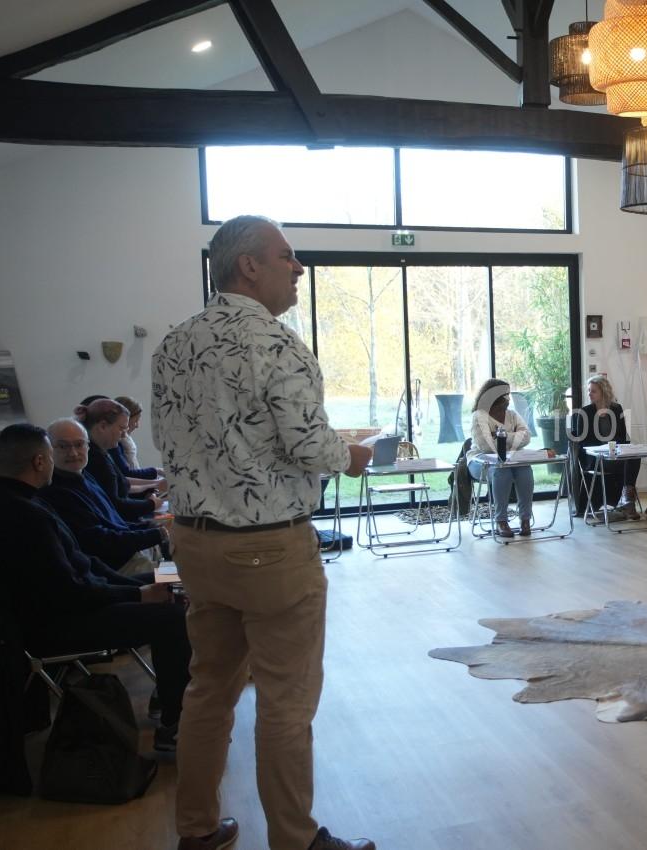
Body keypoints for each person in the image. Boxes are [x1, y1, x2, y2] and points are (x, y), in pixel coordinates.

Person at [152, 214, 375, 850]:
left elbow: (175, 441)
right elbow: (309, 445)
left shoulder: (175, 343)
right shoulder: (277, 344)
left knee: (208, 689)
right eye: (287, 256)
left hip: (194, 542)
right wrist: (353, 455)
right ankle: (296, 840)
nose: (298, 267)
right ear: (249, 265)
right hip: (271, 548)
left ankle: (195, 829)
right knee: (285, 701)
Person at [0, 423, 190, 750]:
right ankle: (174, 725)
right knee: (174, 617)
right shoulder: (25, 514)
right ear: (40, 461)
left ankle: (167, 695)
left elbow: (84, 564)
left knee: (172, 580)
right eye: (55, 452)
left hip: (79, 598)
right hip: (55, 626)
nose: (64, 457)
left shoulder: (16, 500)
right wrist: (137, 594)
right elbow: (70, 590)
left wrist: (140, 587)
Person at [39, 418, 168, 576]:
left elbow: (116, 523)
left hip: (135, 555)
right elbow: (101, 541)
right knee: (183, 577)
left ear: (87, 446)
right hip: (120, 570)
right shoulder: (56, 492)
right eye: (63, 446)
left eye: (79, 444)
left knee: (191, 560)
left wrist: (152, 527)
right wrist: (157, 534)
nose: (73, 453)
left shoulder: (84, 475)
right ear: (48, 450)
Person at [467, 378, 541, 538]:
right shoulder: (479, 416)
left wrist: (502, 435)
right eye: (505, 394)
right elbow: (486, 446)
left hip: (511, 459)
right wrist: (514, 439)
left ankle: (525, 519)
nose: (508, 398)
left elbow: (527, 436)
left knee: (525, 469)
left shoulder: (512, 415)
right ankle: (501, 520)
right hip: (481, 461)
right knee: (502, 472)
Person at [569, 374, 641, 520]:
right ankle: (627, 502)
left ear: (604, 392)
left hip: (614, 453)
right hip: (594, 457)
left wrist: (621, 448)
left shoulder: (616, 409)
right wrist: (604, 448)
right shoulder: (584, 412)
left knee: (634, 456)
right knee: (625, 461)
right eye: (589, 390)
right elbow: (583, 443)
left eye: (593, 391)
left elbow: (622, 436)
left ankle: (627, 498)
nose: (590, 394)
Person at [82, 398, 162, 520]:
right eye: (121, 428)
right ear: (103, 426)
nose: (124, 435)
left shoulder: (102, 452)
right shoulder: (95, 458)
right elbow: (117, 506)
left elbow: (123, 483)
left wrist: (154, 485)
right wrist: (151, 504)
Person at [112, 395, 166, 486]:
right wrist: (157, 472)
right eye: (136, 421)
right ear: (126, 420)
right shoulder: (114, 443)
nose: (137, 426)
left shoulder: (125, 440)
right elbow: (126, 474)